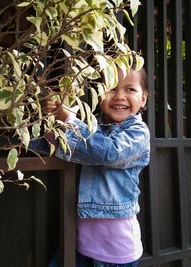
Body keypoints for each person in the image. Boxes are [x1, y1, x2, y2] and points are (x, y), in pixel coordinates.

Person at [46, 63, 150, 267]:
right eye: (111, 88)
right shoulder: (93, 127)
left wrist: (69, 120)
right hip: (81, 241)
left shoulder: (139, 133)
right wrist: (49, 119)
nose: (119, 96)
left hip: (116, 251)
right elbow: (57, 145)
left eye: (130, 89)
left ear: (144, 98)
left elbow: (108, 152)